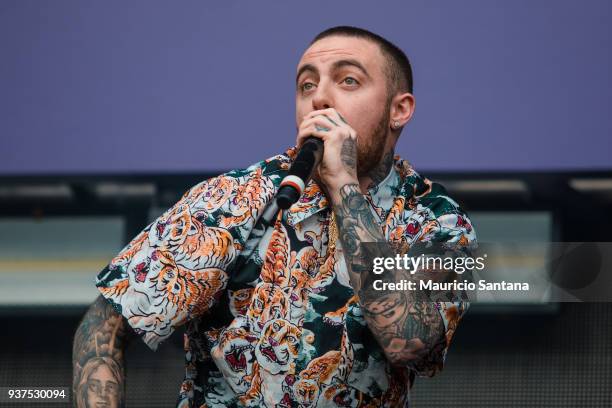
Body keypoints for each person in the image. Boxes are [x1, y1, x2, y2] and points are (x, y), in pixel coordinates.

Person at [72, 25, 477, 407]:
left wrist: (343, 186)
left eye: (348, 80)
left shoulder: (437, 221)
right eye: (307, 84)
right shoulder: (232, 198)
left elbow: (407, 341)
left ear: (399, 110)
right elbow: (104, 325)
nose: (320, 98)